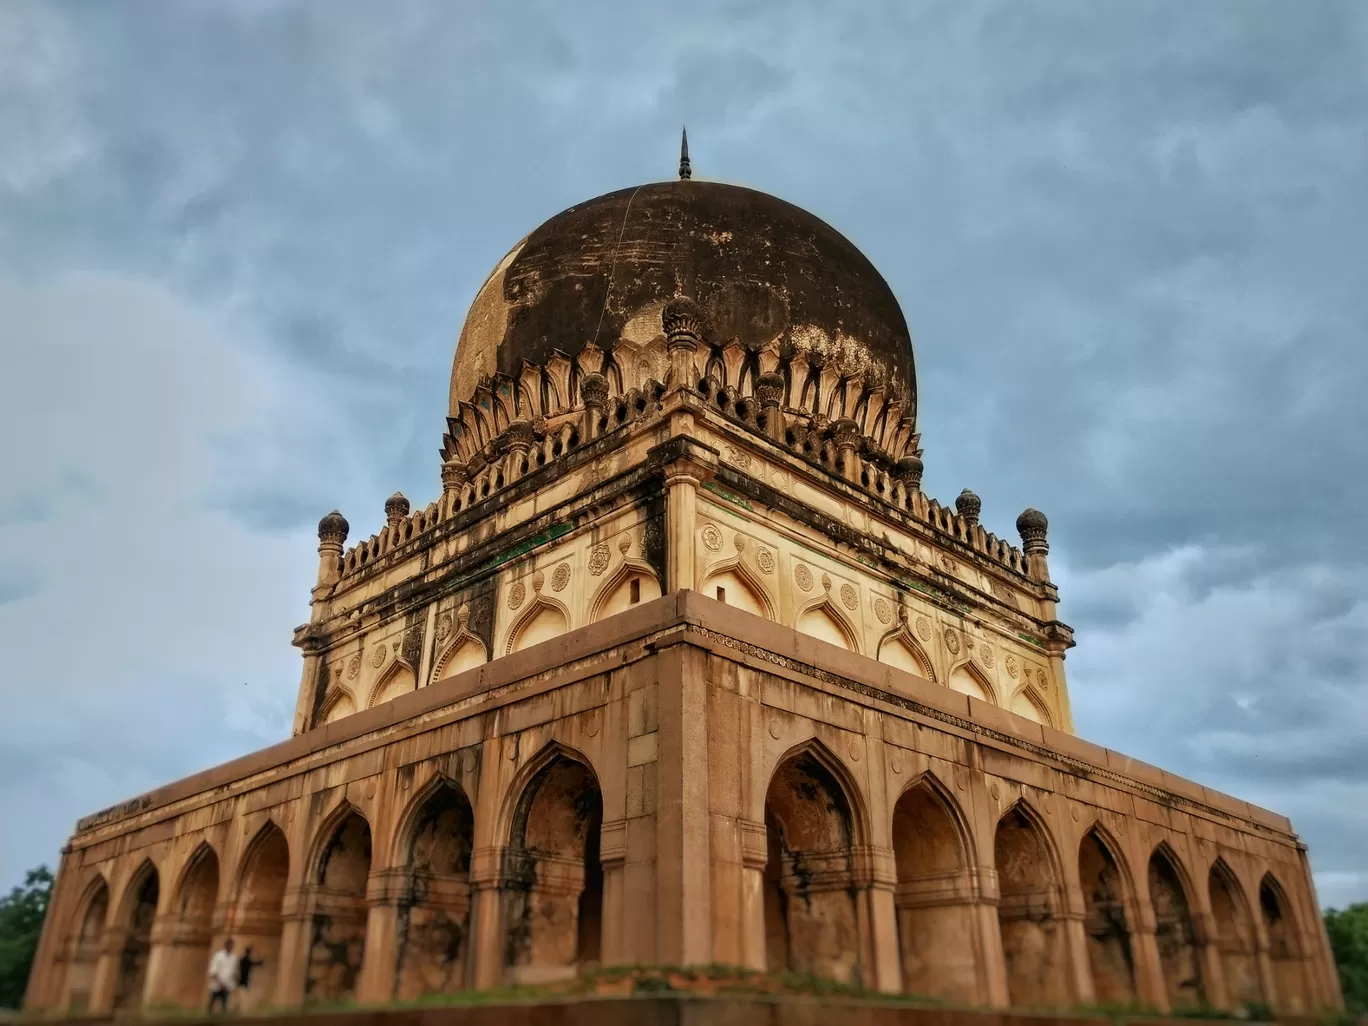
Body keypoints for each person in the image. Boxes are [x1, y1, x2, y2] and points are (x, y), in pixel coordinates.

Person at [207, 937, 236, 1013]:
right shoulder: (218, 956)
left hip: (227, 985)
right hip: (217, 984)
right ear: (226, 945)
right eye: (229, 945)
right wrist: (220, 983)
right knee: (212, 1003)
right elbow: (213, 971)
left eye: (232, 946)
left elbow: (233, 972)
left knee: (224, 1005)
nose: (231, 947)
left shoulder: (233, 957)